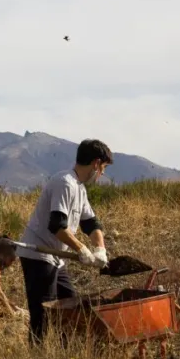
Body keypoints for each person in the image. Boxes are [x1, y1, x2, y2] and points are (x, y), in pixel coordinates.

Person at [16, 138, 113, 344]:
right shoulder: (64, 183)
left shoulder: (80, 189)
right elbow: (57, 226)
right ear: (96, 163)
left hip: (56, 259)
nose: (102, 174)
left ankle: (64, 354)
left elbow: (92, 224)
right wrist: (82, 249)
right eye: (103, 168)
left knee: (70, 307)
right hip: (39, 256)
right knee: (43, 313)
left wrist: (100, 249)